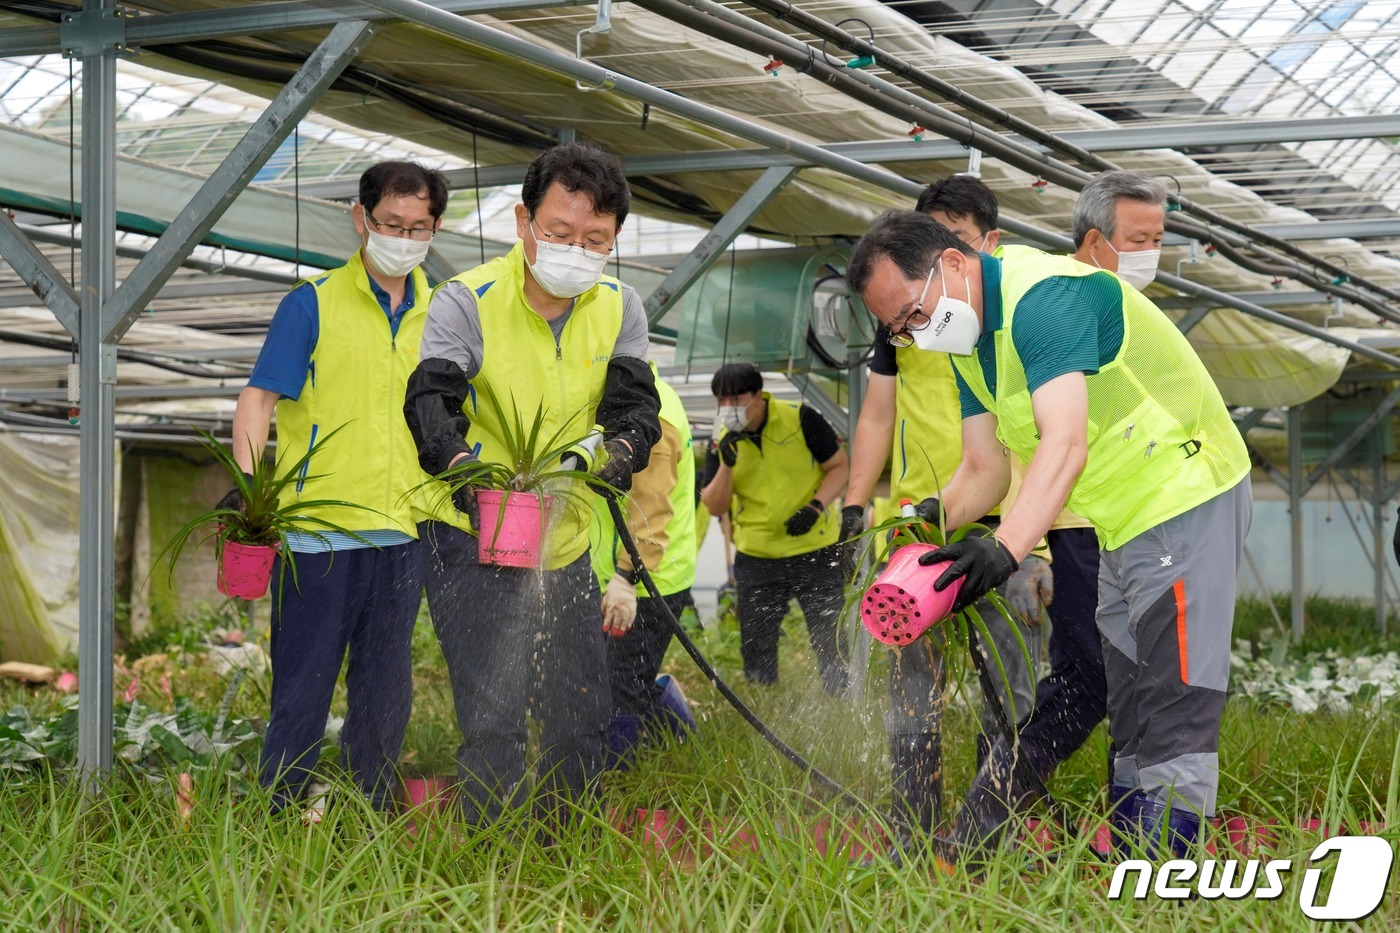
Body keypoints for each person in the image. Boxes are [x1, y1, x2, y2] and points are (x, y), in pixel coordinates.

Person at [848, 210, 1252, 859]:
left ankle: (1160, 879)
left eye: (915, 315)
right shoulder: (970, 346)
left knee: (1172, 698)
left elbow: (1063, 442)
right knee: (1126, 696)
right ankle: (1132, 855)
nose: (916, 336)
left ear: (953, 264)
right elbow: (984, 468)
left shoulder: (1044, 298)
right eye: (901, 330)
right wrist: (922, 526)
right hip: (1117, 518)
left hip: (1184, 491)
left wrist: (1003, 548)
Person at [403, 142, 661, 826]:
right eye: (559, 233)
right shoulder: (469, 299)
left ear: (614, 240)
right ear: (524, 222)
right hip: (472, 532)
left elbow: (635, 409)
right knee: (495, 716)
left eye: (594, 239)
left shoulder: (619, 306)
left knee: (580, 710)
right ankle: (492, 863)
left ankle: (562, 850)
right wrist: (467, 476)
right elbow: (431, 404)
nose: (576, 250)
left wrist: (622, 450)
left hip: (564, 534)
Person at [224, 160, 447, 814]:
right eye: (390, 224)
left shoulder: (445, 311)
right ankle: (276, 818)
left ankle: (368, 825)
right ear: (361, 219)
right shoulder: (311, 303)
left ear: (435, 228)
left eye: (419, 227)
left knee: (384, 694)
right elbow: (257, 401)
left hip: (404, 534)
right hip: (316, 538)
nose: (403, 238)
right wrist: (252, 500)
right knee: (302, 691)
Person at [843, 174, 1043, 846]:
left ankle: (997, 833)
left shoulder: (1012, 318)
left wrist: (1028, 541)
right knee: (911, 691)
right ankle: (914, 827)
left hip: (1005, 528)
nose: (929, 295)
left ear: (984, 246)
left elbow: (1043, 442)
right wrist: (858, 502)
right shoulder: (909, 330)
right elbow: (875, 416)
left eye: (953, 245)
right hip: (926, 524)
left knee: (1007, 689)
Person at [700, 363, 850, 694]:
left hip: (816, 550)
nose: (728, 408)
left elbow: (839, 467)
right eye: (721, 401)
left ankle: (841, 698)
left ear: (758, 395)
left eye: (736, 399)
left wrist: (815, 508)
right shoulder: (720, 440)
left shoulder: (801, 419)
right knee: (756, 642)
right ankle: (763, 702)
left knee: (831, 636)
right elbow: (714, 506)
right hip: (757, 556)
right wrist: (726, 464)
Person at [589, 362, 698, 766]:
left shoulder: (654, 413)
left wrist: (625, 578)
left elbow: (650, 509)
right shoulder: (629, 394)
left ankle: (620, 782)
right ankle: (681, 742)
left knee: (619, 689)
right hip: (631, 572)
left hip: (648, 581)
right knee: (623, 677)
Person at [1071, 170, 1167, 291]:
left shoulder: (1127, 303)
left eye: (1157, 240)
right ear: (1094, 241)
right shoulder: (1053, 295)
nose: (1150, 252)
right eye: (1139, 240)